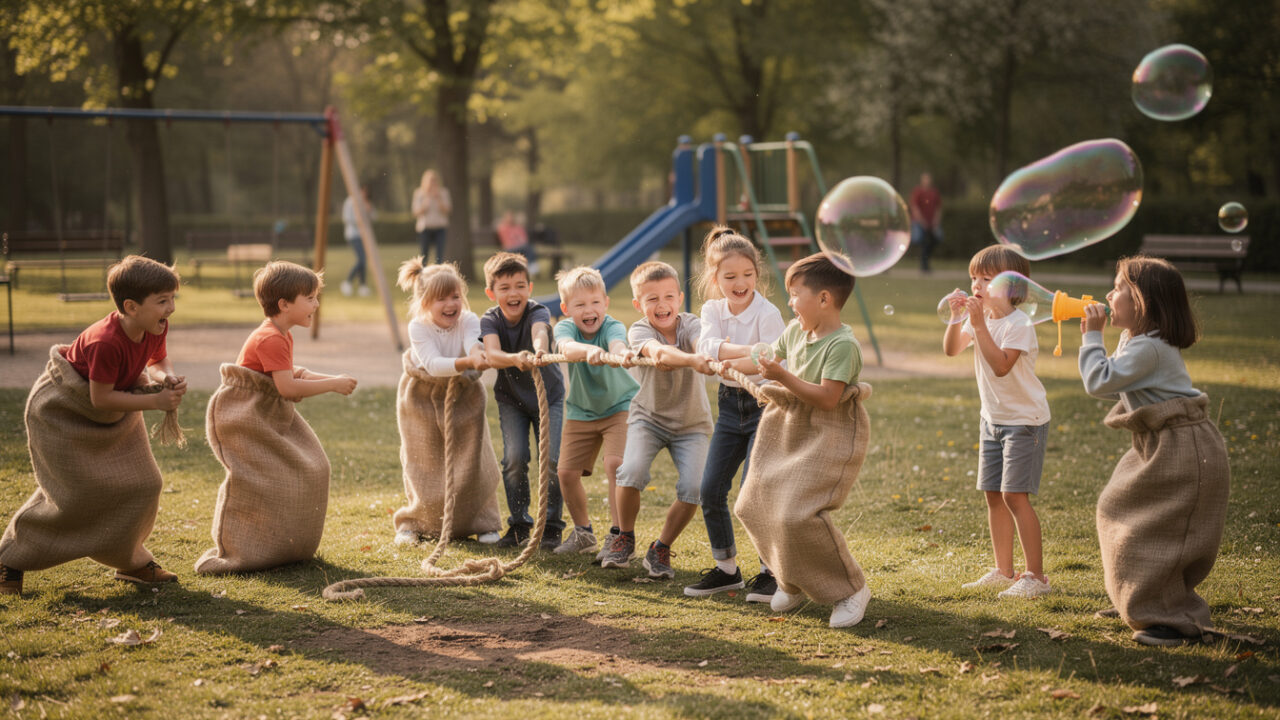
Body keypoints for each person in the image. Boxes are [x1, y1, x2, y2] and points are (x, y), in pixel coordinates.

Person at [0, 256, 187, 595]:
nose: (171, 308)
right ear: (131, 306)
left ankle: (130, 562)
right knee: (73, 496)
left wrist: (166, 377)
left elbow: (157, 359)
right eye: (162, 300)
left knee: (145, 483)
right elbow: (100, 398)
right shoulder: (106, 341)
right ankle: (10, 558)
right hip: (62, 413)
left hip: (115, 414)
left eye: (172, 298)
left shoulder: (153, 325)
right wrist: (155, 401)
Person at [1079, 256, 1229, 647]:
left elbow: (1100, 381)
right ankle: (1138, 598)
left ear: (1143, 301)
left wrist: (1091, 337)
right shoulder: (1141, 342)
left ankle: (1171, 618)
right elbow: (1117, 385)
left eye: (1118, 289)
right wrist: (1109, 338)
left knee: (1158, 529)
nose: (1109, 295)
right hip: (1162, 440)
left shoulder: (1152, 348)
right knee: (1120, 510)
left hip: (1183, 445)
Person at [732, 253, 872, 628]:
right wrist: (717, 364)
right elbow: (762, 359)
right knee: (750, 504)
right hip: (786, 427)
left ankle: (850, 589)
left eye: (795, 295)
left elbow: (827, 397)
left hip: (827, 432)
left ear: (824, 299)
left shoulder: (843, 345)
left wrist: (780, 375)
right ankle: (790, 580)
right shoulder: (796, 332)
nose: (790, 303)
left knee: (797, 515)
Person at [196, 261, 357, 574]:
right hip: (246, 415)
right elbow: (286, 388)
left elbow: (292, 373)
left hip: (268, 414)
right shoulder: (269, 337)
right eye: (309, 298)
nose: (316, 303)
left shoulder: (281, 334)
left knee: (313, 468)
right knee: (265, 476)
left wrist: (332, 378)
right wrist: (332, 385)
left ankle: (285, 545)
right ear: (284, 304)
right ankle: (241, 550)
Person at [683, 227, 786, 602]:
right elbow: (706, 347)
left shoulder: (768, 312)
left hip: (764, 406)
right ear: (715, 279)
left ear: (757, 275)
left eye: (747, 275)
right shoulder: (712, 309)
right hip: (730, 408)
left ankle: (771, 572)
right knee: (709, 489)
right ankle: (727, 570)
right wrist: (749, 351)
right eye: (730, 277)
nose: (739, 283)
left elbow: (773, 361)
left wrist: (733, 357)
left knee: (751, 496)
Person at [943, 244, 1052, 599]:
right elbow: (951, 350)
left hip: (1024, 421)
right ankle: (1005, 571)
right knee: (993, 495)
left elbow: (1001, 366)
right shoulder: (983, 320)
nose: (976, 283)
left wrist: (977, 324)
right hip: (991, 419)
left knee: (1014, 496)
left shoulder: (1019, 325)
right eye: (974, 276)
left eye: (986, 278)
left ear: (1012, 286)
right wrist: (958, 317)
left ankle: (1035, 576)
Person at [600, 262, 714, 578]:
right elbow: (659, 355)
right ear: (639, 305)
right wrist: (693, 360)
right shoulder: (640, 331)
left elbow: (700, 342)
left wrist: (705, 352)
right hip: (647, 418)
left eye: (668, 297)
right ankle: (625, 535)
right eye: (651, 299)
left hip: (692, 423)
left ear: (679, 298)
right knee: (631, 471)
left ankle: (660, 547)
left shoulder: (692, 325)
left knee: (694, 487)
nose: (661, 305)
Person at [393, 259, 502, 546]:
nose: (450, 304)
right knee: (421, 460)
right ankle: (414, 522)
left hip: (463, 394)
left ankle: (482, 520)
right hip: (421, 396)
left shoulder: (468, 319)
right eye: (441, 298)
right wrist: (469, 360)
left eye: (455, 296)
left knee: (473, 456)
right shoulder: (418, 327)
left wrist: (478, 352)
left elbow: (471, 343)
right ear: (424, 302)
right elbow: (432, 364)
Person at [479, 251, 567, 551]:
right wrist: (515, 359)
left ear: (529, 288)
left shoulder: (538, 310)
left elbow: (539, 333)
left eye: (519, 285)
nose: (513, 293)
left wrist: (538, 350)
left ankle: (552, 526)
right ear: (492, 293)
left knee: (552, 461)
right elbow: (491, 355)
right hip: (511, 400)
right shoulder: (490, 319)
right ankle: (519, 524)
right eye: (504, 288)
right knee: (515, 459)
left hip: (549, 398)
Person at [550, 265, 639, 557]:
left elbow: (617, 341)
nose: (590, 310)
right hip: (581, 411)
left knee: (615, 464)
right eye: (580, 305)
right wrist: (588, 352)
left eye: (595, 302)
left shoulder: (612, 326)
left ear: (606, 303)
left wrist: (619, 352)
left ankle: (618, 535)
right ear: (566, 308)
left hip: (620, 406)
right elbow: (566, 347)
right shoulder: (565, 327)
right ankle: (583, 533)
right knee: (565, 472)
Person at [412, 170, 451, 264]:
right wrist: (426, 201)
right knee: (424, 255)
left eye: (434, 181)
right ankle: (423, 276)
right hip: (425, 228)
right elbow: (416, 212)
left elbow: (447, 210)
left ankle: (438, 275)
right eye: (430, 181)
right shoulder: (419, 193)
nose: (432, 183)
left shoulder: (443, 192)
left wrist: (438, 199)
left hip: (440, 228)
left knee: (439, 256)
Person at [342, 186, 375, 297]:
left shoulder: (365, 203)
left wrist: (369, 210)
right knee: (362, 260)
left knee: (363, 261)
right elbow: (347, 218)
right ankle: (347, 282)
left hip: (364, 236)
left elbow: (373, 217)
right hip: (353, 235)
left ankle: (362, 286)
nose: (364, 194)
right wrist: (360, 220)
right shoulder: (350, 201)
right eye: (362, 191)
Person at [910, 172, 942, 273]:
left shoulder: (934, 192)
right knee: (921, 240)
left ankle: (925, 263)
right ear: (922, 180)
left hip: (931, 223)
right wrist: (922, 221)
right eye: (925, 179)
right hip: (919, 222)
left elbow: (938, 208)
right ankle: (924, 265)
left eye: (928, 179)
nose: (927, 181)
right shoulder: (918, 191)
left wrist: (935, 221)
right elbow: (915, 207)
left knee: (936, 239)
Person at [497, 211, 538, 275]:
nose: (510, 219)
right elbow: (506, 241)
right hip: (510, 248)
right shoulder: (503, 228)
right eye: (508, 217)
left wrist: (520, 243)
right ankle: (532, 267)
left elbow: (524, 239)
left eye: (511, 217)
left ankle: (531, 267)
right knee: (527, 248)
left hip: (521, 247)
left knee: (529, 247)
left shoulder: (518, 227)